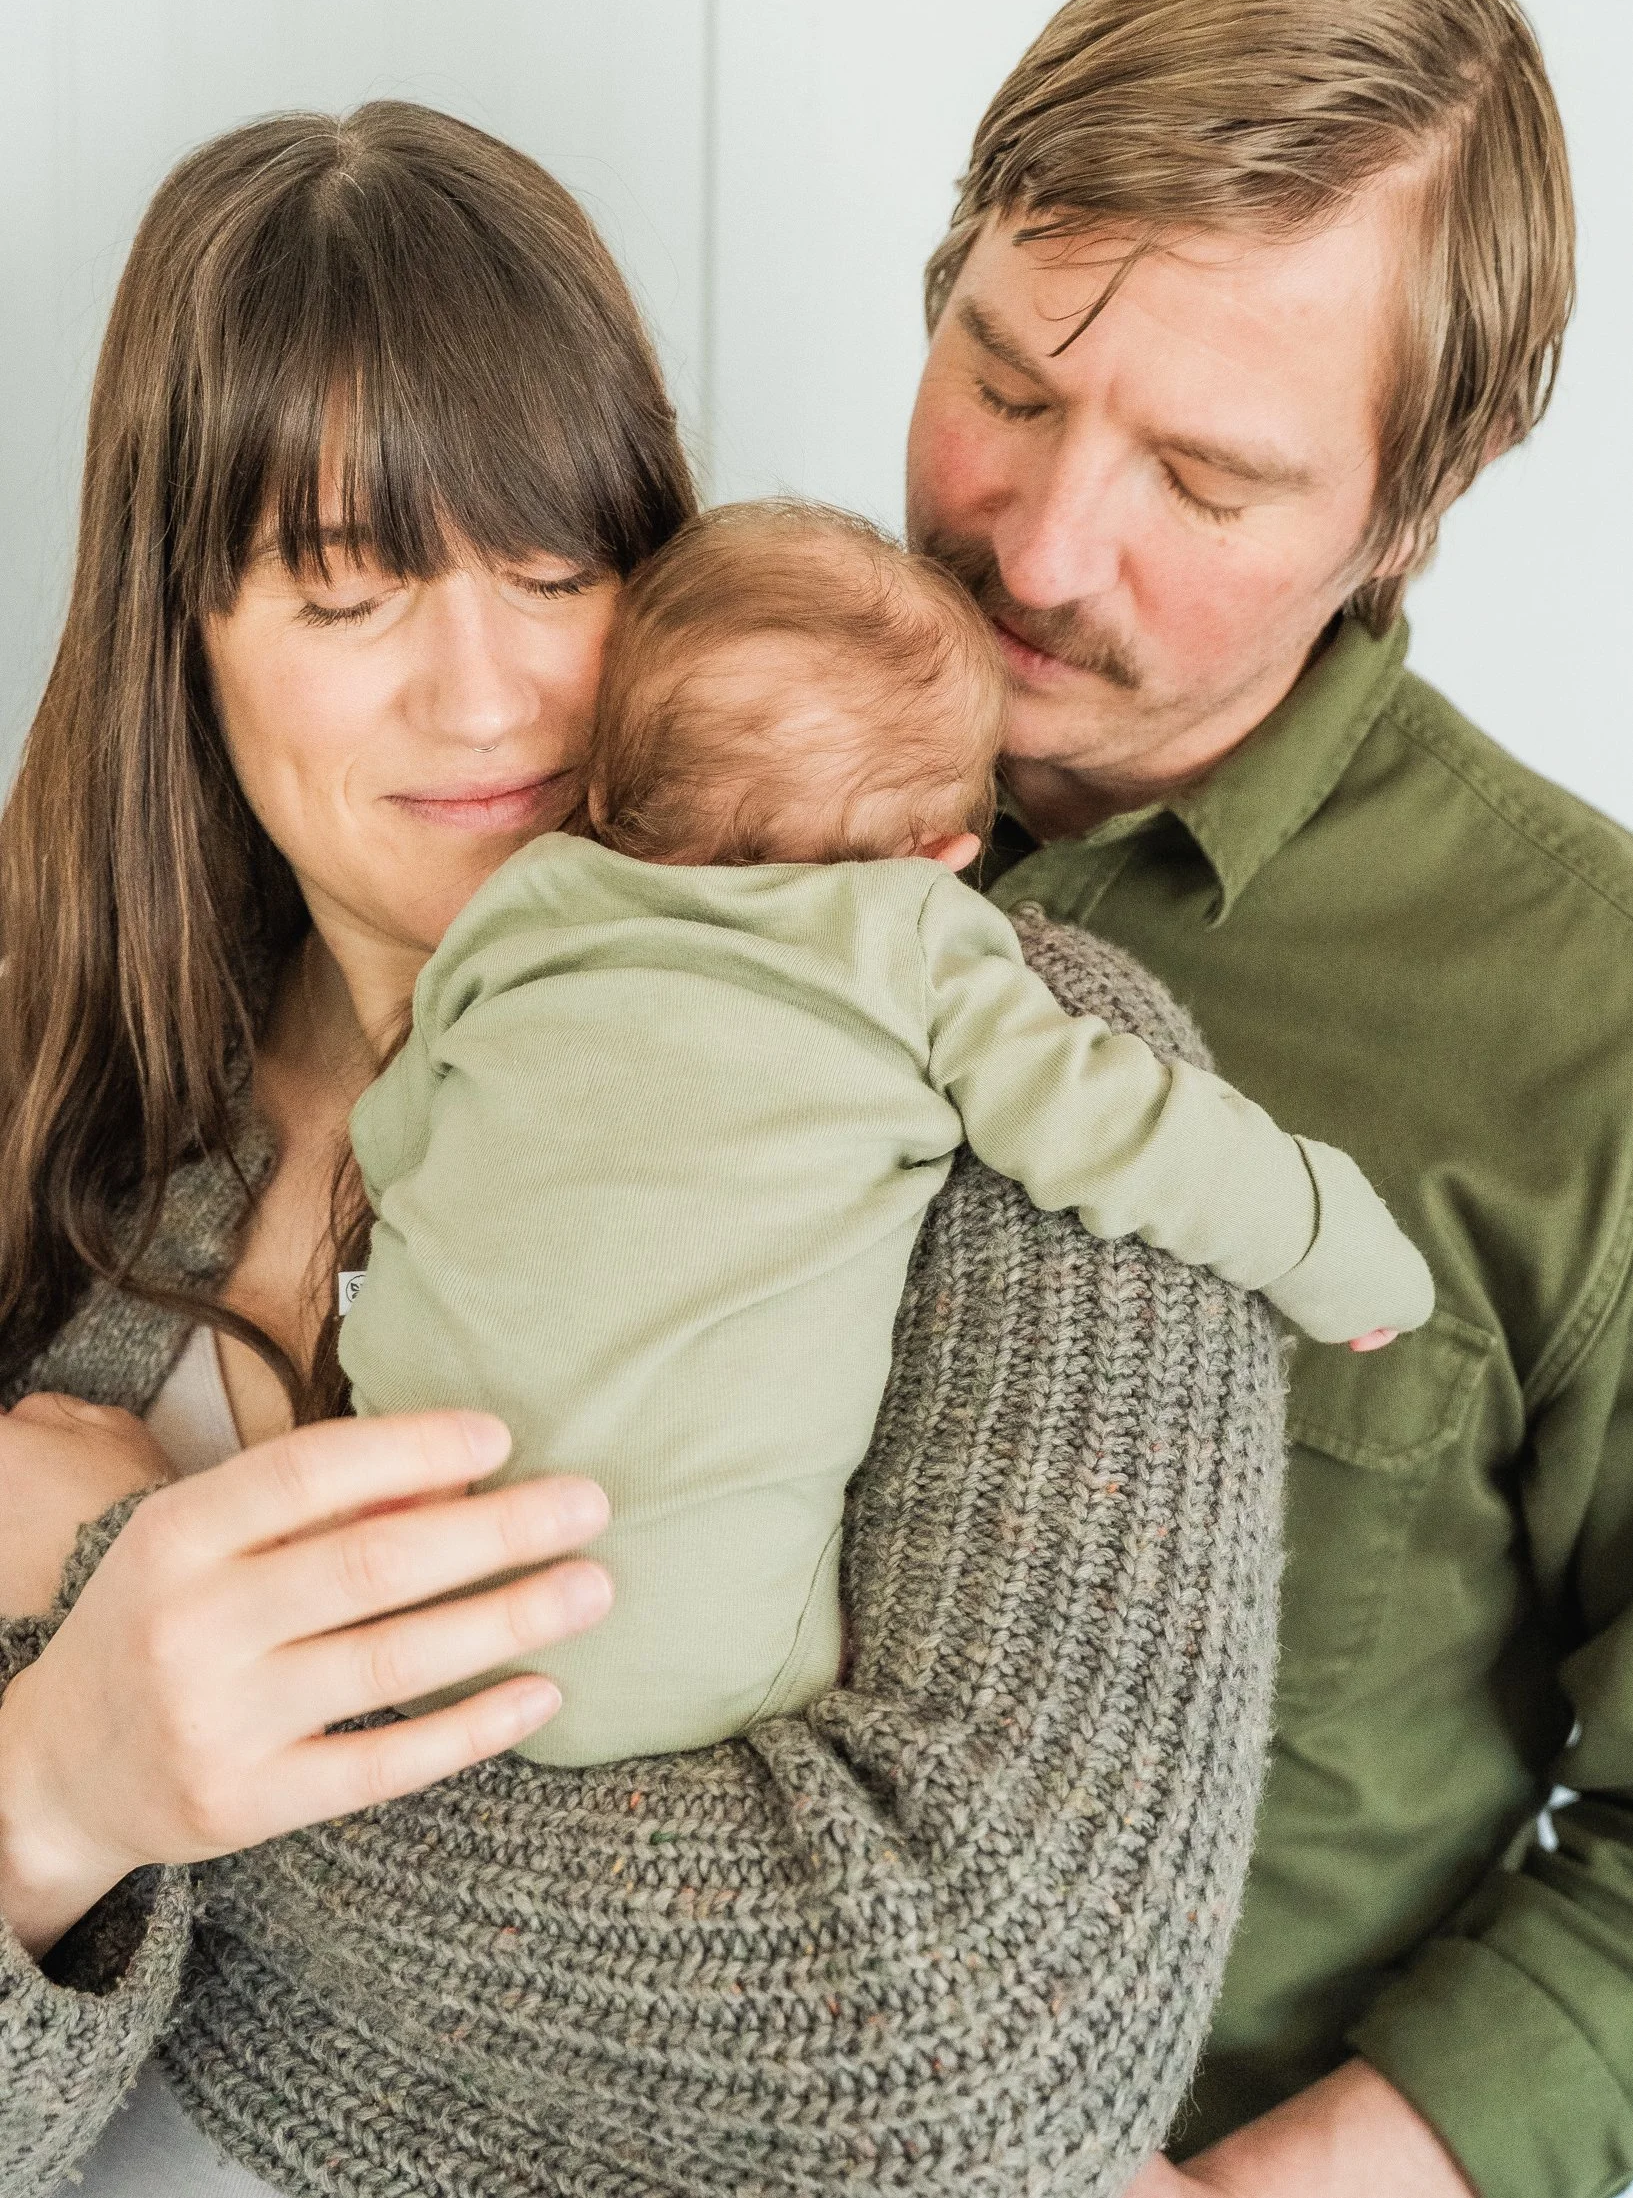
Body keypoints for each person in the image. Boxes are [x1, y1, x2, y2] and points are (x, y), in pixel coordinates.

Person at [0, 102, 1285, 2197]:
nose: (490, 696)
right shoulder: (73, 1098)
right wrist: (47, 1801)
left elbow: (982, 2057)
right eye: (347, 592)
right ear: (186, 633)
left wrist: (84, 1639)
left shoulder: (1021, 1082)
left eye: (556, 566)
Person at [904, 0, 1633, 2198]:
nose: (1034, 542)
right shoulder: (623, 740)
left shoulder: (1585, 1018)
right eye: (1006, 382)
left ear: (1418, 504)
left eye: (1205, 480)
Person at [339, 499, 1430, 1769]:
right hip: (689, 1664)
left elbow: (395, 1142)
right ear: (945, 851)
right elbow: (1115, 1127)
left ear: (602, 788)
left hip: (393, 1598)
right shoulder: (907, 937)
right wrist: (1325, 1233)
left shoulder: (521, 911)